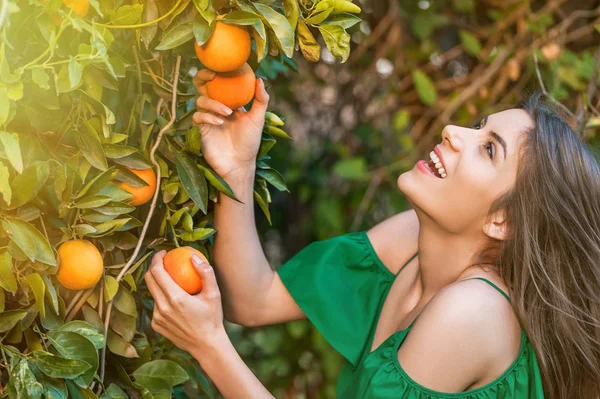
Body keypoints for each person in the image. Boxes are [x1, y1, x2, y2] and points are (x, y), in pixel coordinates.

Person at [144, 70, 600, 398]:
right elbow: (254, 299)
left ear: (502, 222)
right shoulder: (410, 243)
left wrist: (209, 345)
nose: (453, 131)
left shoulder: (472, 312)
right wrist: (236, 169)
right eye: (481, 125)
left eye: (488, 149)